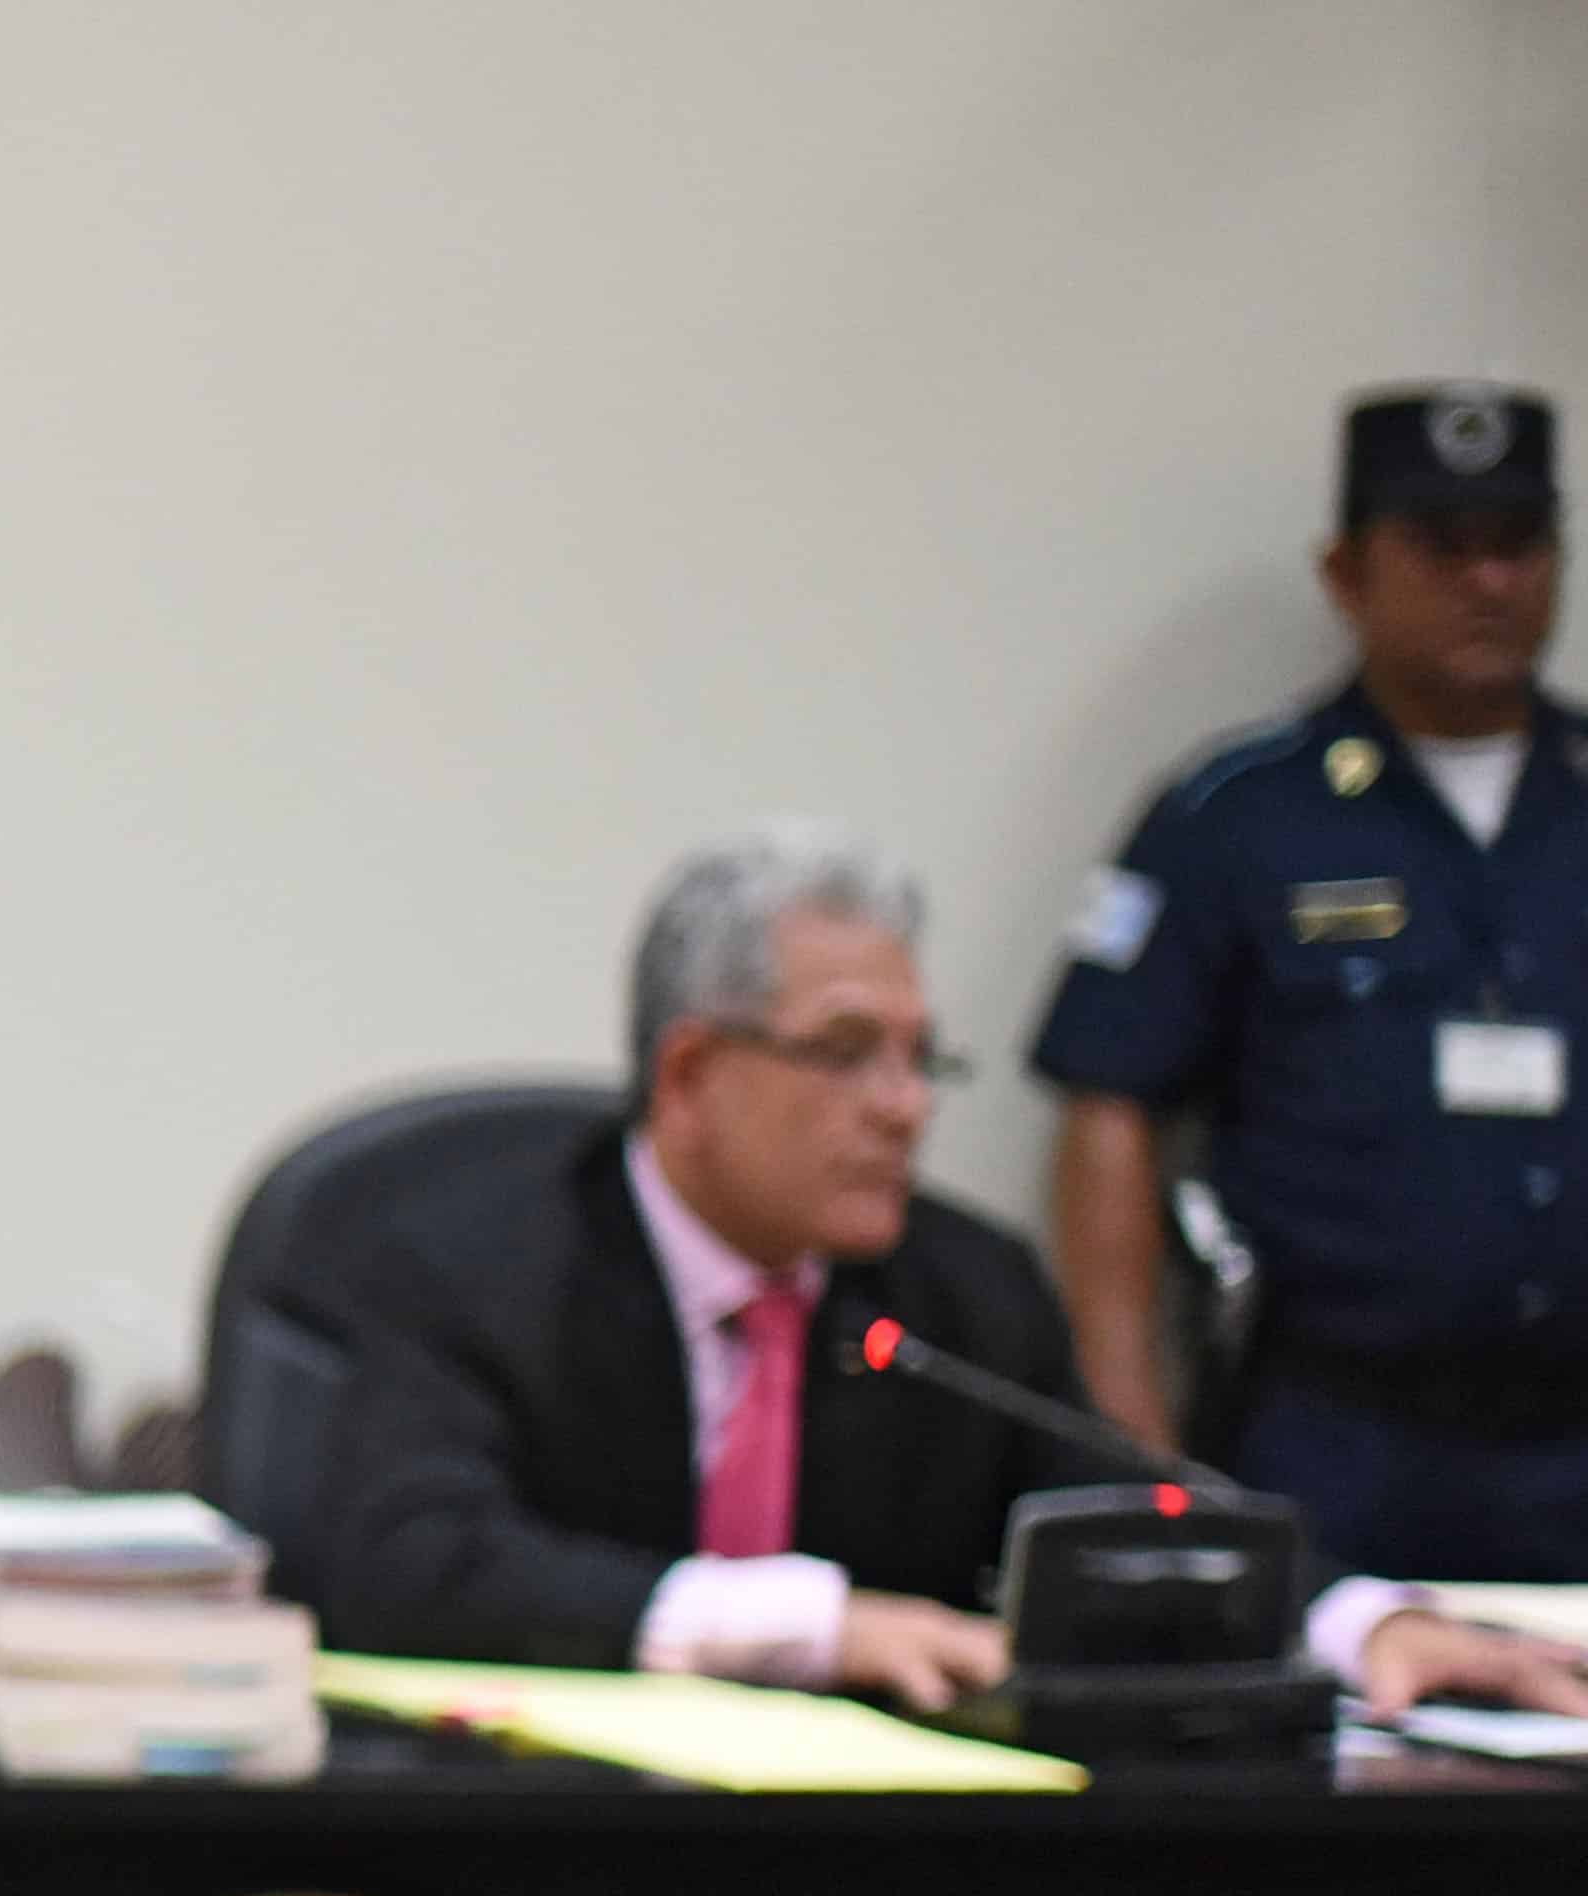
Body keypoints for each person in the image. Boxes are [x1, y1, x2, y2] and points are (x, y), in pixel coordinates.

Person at [320, 825, 1588, 1716]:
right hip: (541, 1849)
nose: (903, 1108)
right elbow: (408, 1562)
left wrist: (1367, 1624)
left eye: (921, 1059)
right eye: (848, 1052)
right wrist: (811, 1626)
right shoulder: (468, 1267)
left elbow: (1137, 1514)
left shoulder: (958, 1296)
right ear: (692, 1076)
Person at [1036, 383, 1588, 1573]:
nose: (1488, 582)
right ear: (1346, 572)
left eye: (1520, 545)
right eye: (1443, 547)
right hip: (1338, 1436)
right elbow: (1108, 1103)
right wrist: (1131, 1443)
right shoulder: (1236, 817)